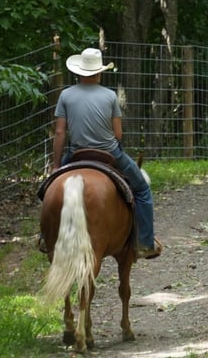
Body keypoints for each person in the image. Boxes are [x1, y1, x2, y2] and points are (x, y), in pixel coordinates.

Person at [47, 47, 162, 260]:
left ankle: (46, 237)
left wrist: (56, 166)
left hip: (76, 154)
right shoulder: (110, 96)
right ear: (99, 72)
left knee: (48, 190)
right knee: (143, 190)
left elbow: (60, 132)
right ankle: (145, 242)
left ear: (79, 71)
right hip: (109, 153)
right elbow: (118, 134)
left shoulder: (66, 95)